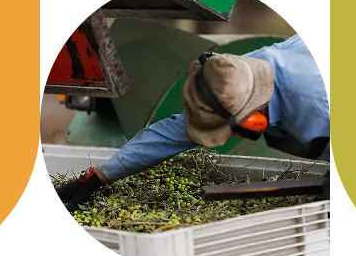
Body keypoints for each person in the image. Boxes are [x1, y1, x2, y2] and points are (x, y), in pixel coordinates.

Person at [55, 34, 333, 212]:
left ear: (254, 117)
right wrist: (99, 176)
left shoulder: (318, 100)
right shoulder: (234, 76)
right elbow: (170, 135)